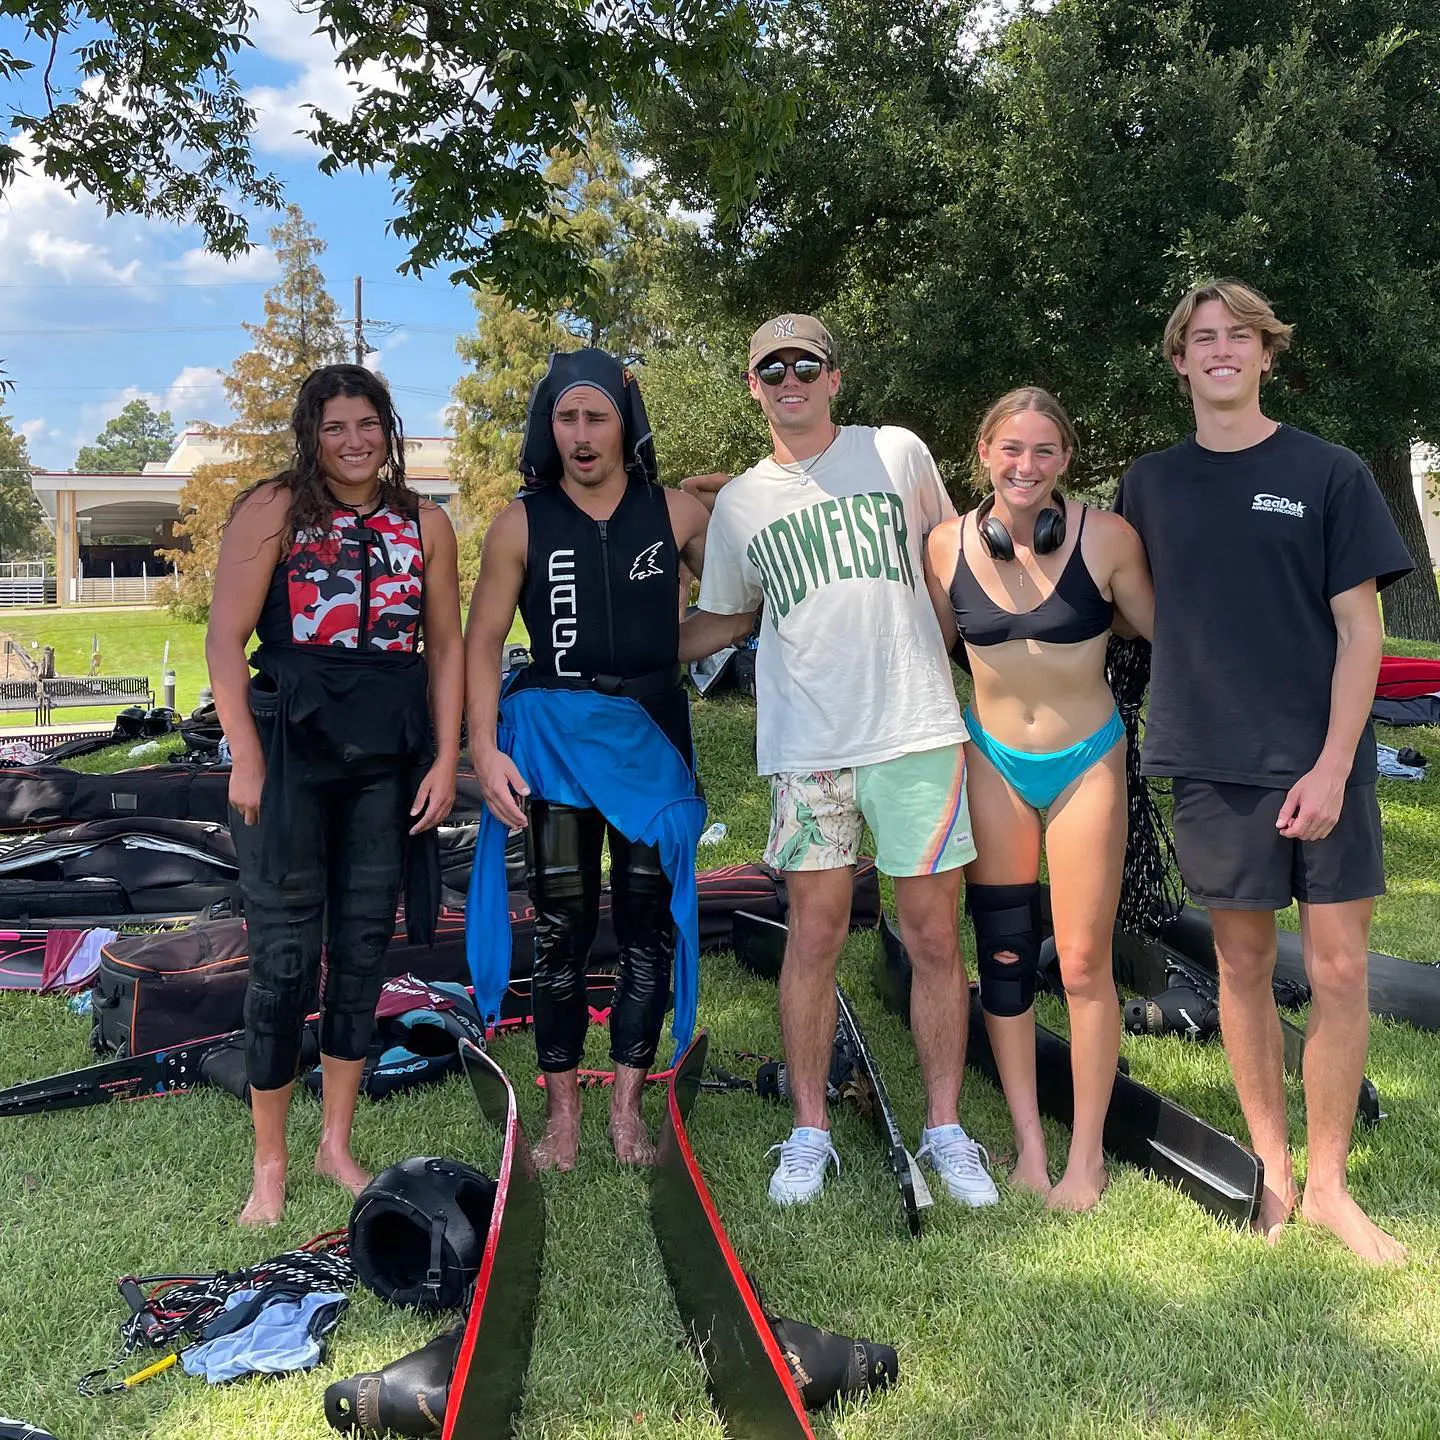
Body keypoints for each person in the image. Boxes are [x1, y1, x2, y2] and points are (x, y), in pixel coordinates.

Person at [1116, 278, 1414, 1263]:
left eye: (1239, 337)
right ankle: (1275, 1174)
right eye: (1202, 338)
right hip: (1210, 760)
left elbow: (1361, 629)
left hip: (1321, 760)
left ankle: (1330, 1185)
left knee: (1336, 970)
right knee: (1241, 966)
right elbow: (1134, 606)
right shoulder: (1149, 485)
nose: (1220, 351)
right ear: (1179, 360)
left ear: (1267, 354)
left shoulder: (1326, 472)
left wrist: (1333, 768)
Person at [682, 313, 998, 1208]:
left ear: (833, 376)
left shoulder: (895, 452)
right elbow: (728, 618)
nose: (790, 378)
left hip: (915, 732)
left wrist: (978, 671)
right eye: (771, 367)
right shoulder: (741, 503)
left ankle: (945, 1129)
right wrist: (624, 649)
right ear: (754, 386)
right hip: (808, 747)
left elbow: (950, 566)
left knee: (934, 935)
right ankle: (809, 1129)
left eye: (804, 364)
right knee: (815, 936)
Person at [206, 364, 464, 1227]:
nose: (353, 442)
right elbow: (224, 636)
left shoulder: (426, 523)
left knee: (361, 953)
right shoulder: (273, 509)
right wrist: (246, 755)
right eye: (334, 428)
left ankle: (335, 1144)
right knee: (283, 962)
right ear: (310, 434)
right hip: (289, 754)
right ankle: (270, 1163)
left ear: (388, 431)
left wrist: (444, 756)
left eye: (367, 425)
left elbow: (448, 650)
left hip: (386, 759)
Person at [464, 348, 710, 1170]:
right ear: (549, 426)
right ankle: (563, 1118)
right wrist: (481, 746)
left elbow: (715, 611)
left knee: (648, 928)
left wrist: (744, 622)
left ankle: (628, 1111)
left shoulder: (677, 516)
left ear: (623, 423)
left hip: (651, 738)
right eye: (566, 417)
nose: (580, 434)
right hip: (555, 743)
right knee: (561, 929)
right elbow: (483, 640)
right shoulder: (521, 522)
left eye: (595, 416)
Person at [923, 386, 1154, 1211]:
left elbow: (1168, 633)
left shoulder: (1110, 540)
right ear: (983, 453)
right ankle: (1027, 1145)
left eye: (1045, 451)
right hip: (993, 760)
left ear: (1066, 461)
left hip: (1087, 760)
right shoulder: (943, 547)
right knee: (1007, 959)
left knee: (1086, 961)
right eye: (1010, 450)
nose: (1026, 466)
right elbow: (926, 646)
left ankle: (1084, 1155)